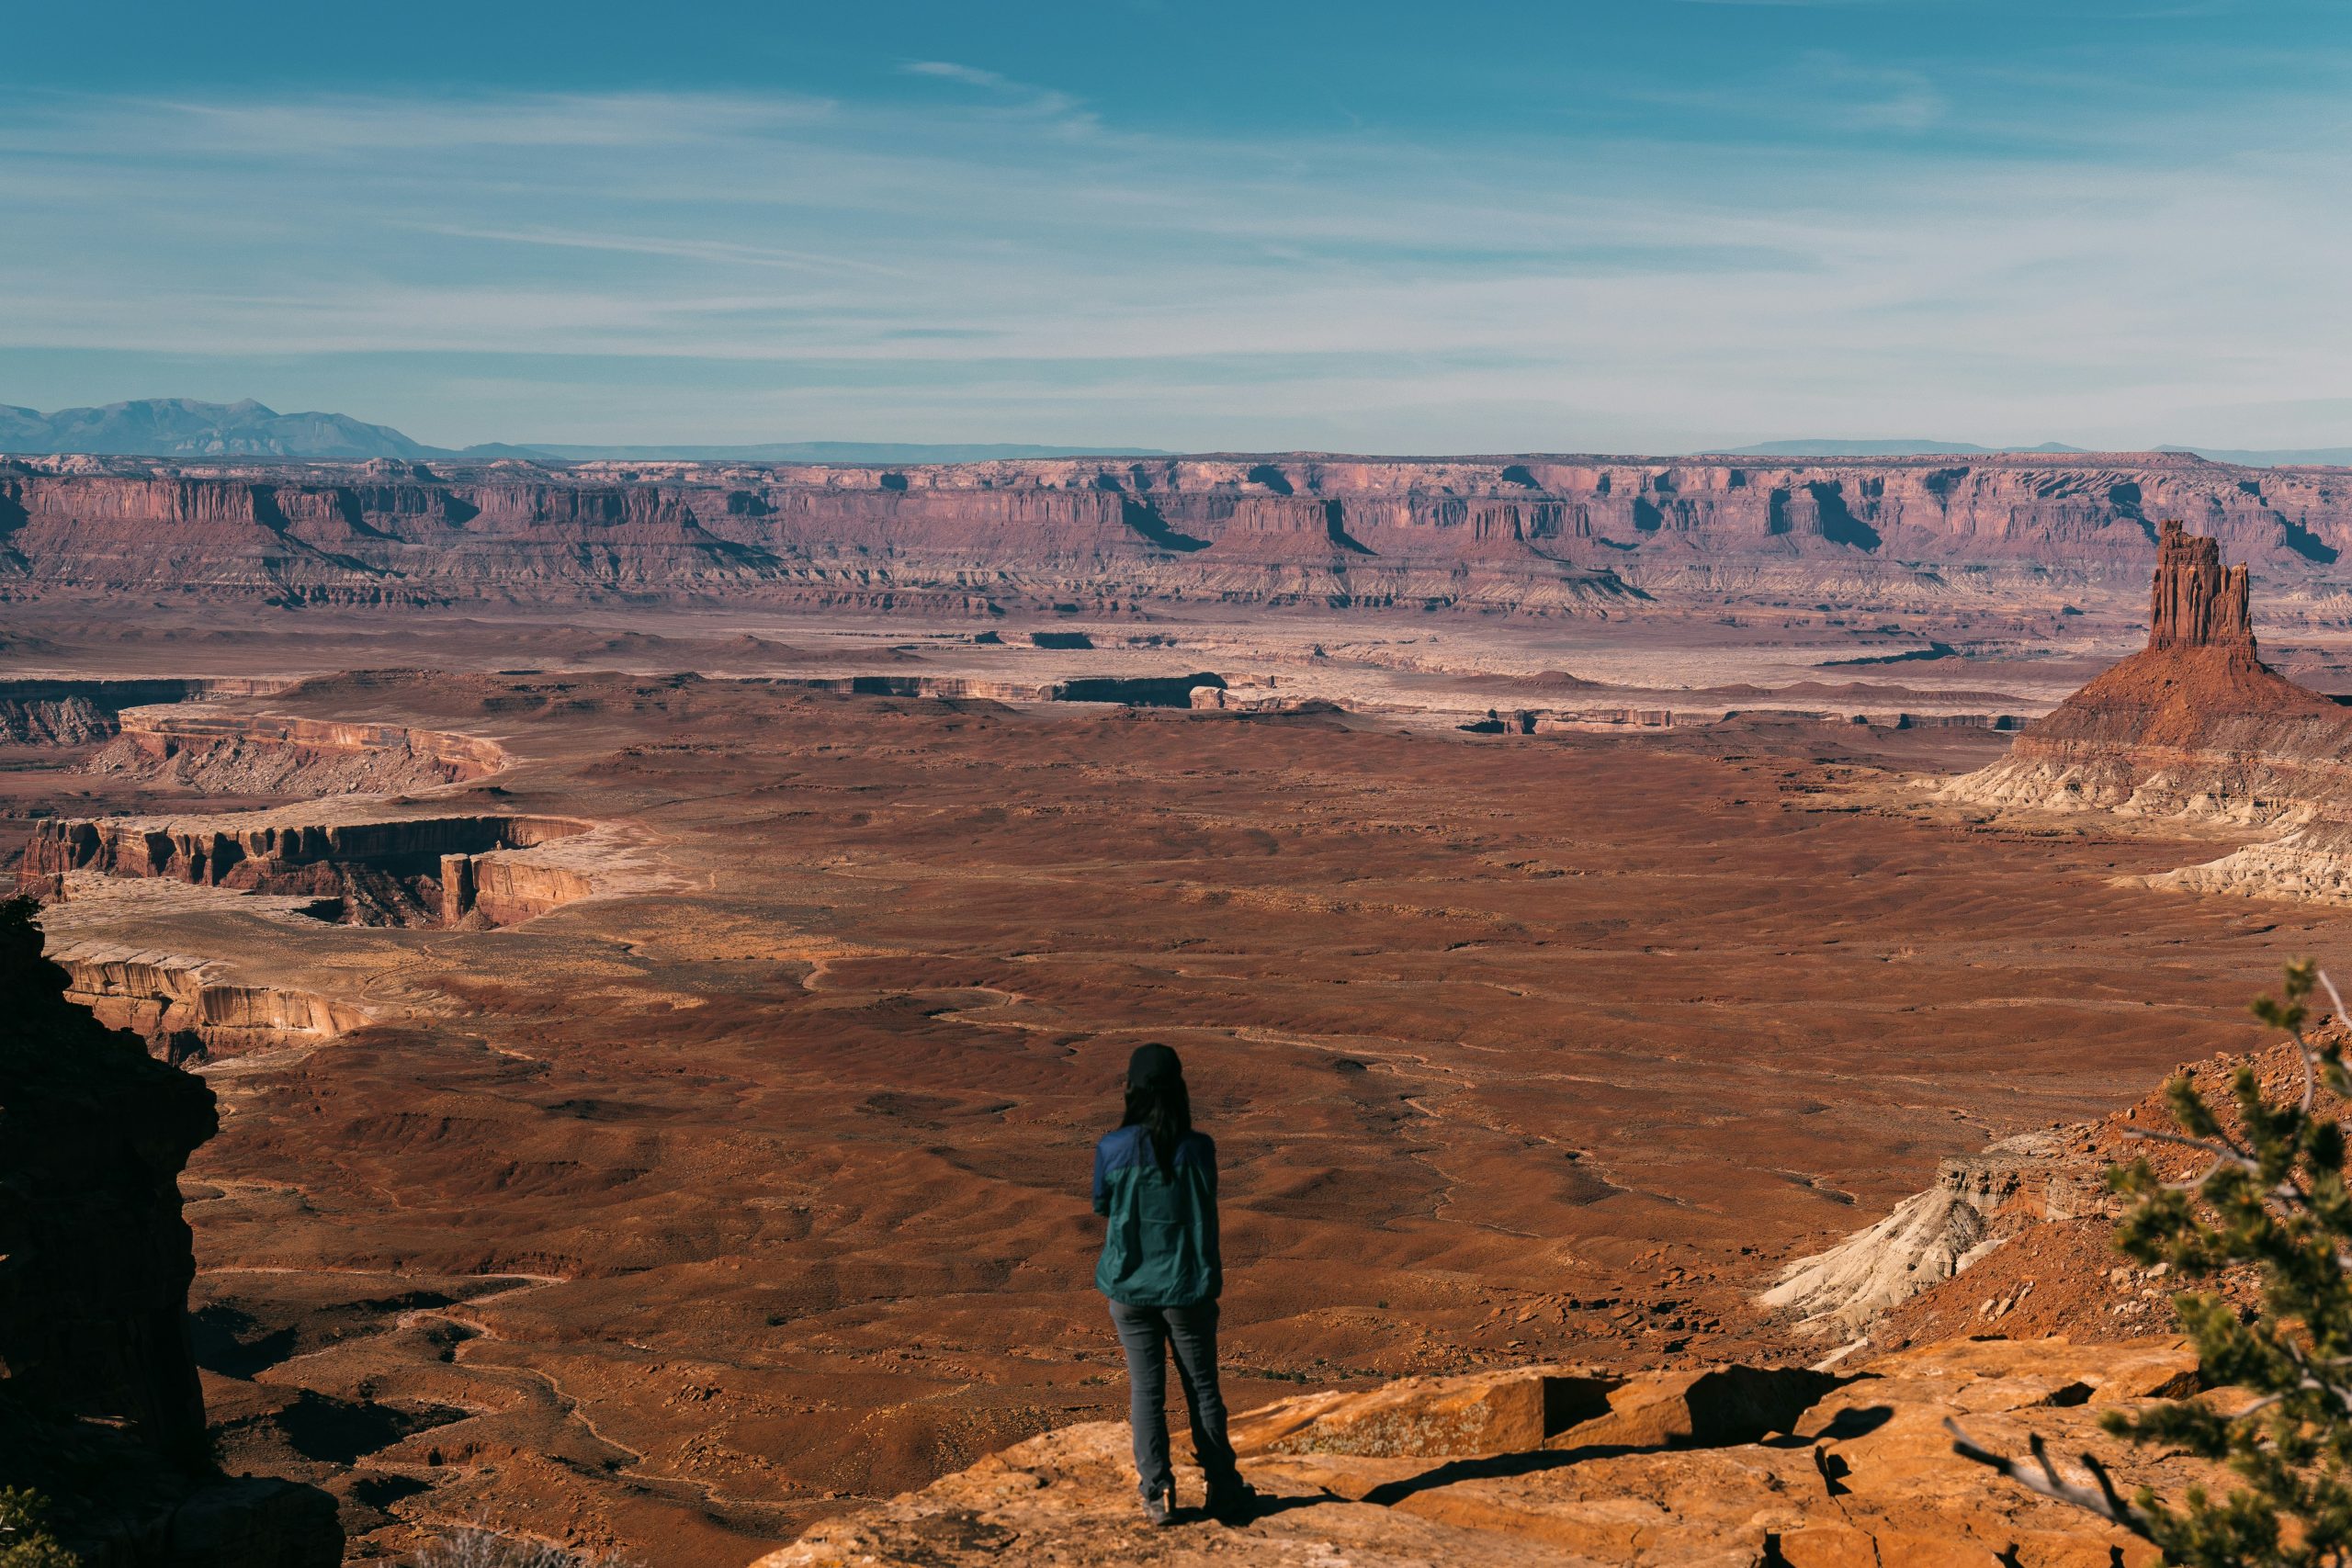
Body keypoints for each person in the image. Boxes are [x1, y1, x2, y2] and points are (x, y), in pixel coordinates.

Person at [1091, 1043, 1252, 1526]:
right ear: (1179, 1090)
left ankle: (1157, 1494)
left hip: (1131, 1287)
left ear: (1132, 1092)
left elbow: (1103, 1204)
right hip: (1188, 1287)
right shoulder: (1199, 1148)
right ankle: (1223, 1489)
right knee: (1203, 1389)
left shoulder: (1113, 1149)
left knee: (1147, 1392)